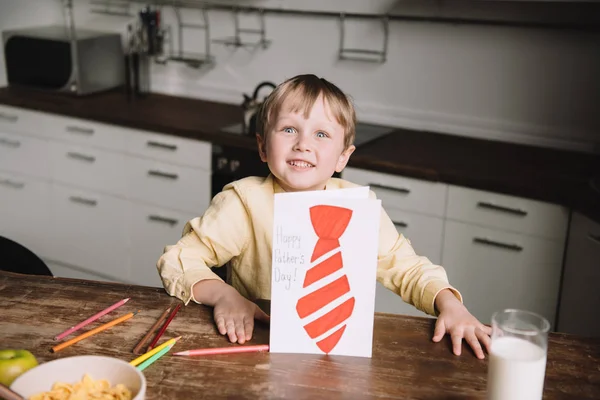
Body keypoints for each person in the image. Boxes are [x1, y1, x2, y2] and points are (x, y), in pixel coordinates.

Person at [157, 74, 492, 359]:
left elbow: (406, 266)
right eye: (289, 129)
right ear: (262, 146)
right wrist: (226, 296)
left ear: (343, 157)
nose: (303, 144)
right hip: (256, 347)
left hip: (339, 354)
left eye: (321, 134)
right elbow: (179, 259)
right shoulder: (244, 202)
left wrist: (450, 304)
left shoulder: (360, 209)